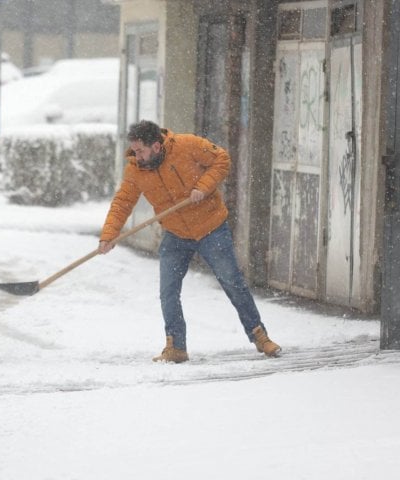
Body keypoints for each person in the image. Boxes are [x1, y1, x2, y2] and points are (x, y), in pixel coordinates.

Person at [98, 120, 281, 363]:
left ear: (155, 146)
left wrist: (203, 187)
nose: (137, 156)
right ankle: (176, 346)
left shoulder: (186, 145)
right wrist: (108, 236)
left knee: (232, 283)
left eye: (140, 151)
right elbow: (123, 202)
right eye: (134, 151)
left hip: (211, 227)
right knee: (168, 291)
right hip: (175, 234)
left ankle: (259, 335)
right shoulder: (136, 169)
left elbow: (221, 159)